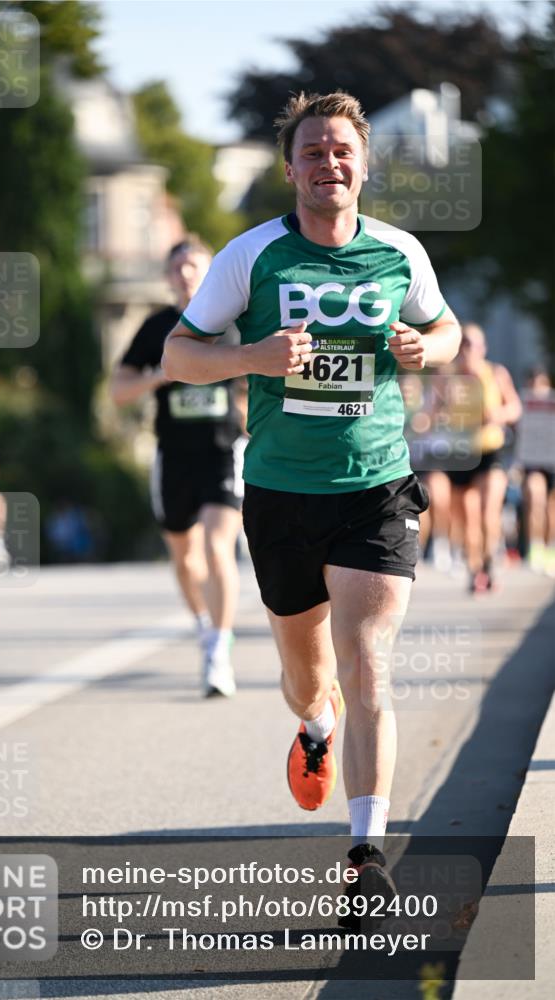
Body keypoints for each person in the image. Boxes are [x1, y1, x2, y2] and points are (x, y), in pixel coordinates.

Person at [163, 92, 461, 896]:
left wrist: (425, 348)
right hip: (281, 493)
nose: (328, 163)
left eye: (341, 151)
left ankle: (365, 855)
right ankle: (314, 724)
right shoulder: (251, 255)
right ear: (290, 168)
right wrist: (249, 356)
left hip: (375, 486)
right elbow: (178, 355)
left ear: (362, 165)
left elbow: (447, 329)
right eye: (312, 152)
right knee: (308, 679)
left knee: (367, 666)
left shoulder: (398, 252)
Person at [111, 238, 246, 698]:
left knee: (216, 546)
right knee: (185, 559)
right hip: (173, 456)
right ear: (168, 277)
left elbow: (258, 378)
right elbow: (118, 390)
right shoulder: (157, 328)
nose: (185, 274)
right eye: (177, 267)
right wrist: (160, 375)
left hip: (222, 451)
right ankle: (204, 625)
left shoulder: (233, 322)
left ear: (210, 271)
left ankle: (220, 650)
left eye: (193, 265)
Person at [444, 323, 522, 593]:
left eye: (473, 344)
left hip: (490, 449)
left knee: (489, 510)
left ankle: (490, 565)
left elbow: (515, 407)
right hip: (460, 453)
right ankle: (474, 568)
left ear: (483, 348)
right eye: (463, 344)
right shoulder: (447, 376)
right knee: (468, 517)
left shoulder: (496, 373)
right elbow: (432, 411)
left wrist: (498, 415)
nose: (468, 350)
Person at [519, 367, 555, 576]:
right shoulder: (523, 405)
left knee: (551, 509)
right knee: (535, 498)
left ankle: (550, 549)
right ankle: (535, 547)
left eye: (541, 385)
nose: (537, 389)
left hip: (552, 461)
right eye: (533, 385)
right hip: (532, 462)